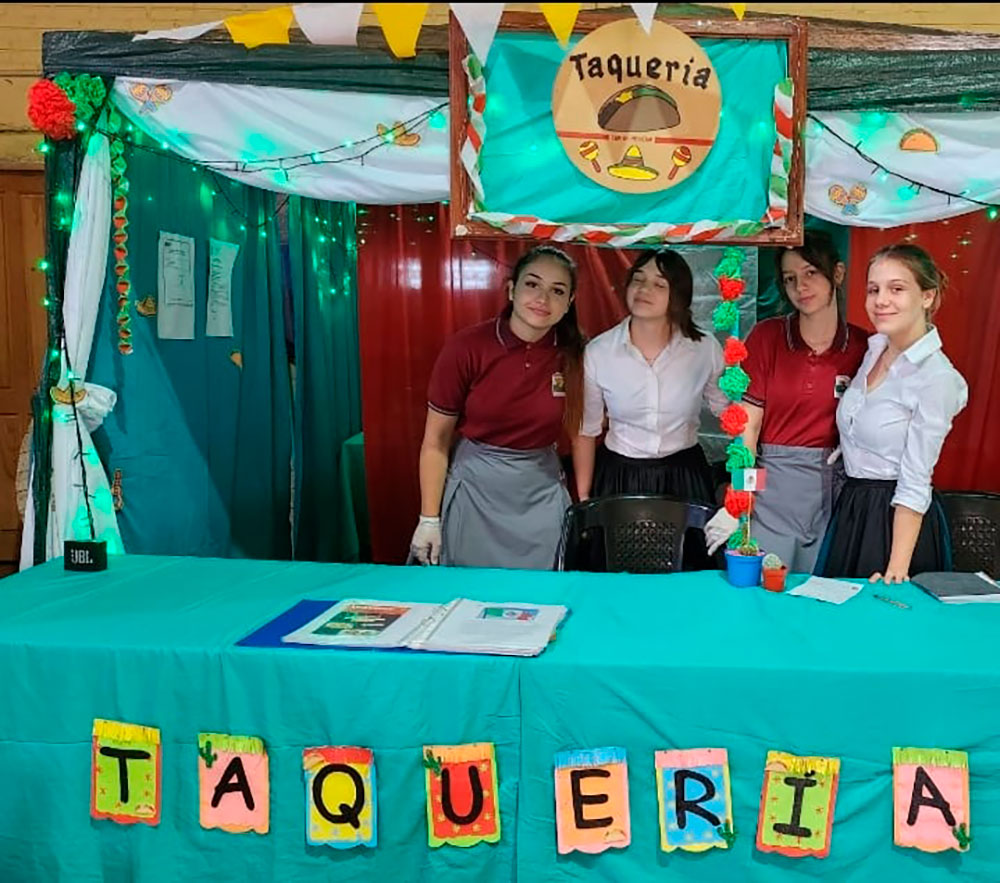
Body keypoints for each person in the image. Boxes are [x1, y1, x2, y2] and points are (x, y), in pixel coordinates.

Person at [409, 245, 585, 569]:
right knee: (469, 590)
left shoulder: (577, 356)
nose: (543, 298)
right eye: (532, 284)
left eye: (557, 290)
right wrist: (428, 519)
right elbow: (435, 442)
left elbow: (583, 434)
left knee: (541, 592)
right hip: (475, 488)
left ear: (569, 302)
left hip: (540, 493)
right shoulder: (467, 347)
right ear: (511, 289)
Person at [704, 231, 868, 572]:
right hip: (771, 485)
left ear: (837, 273)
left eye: (811, 273)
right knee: (765, 582)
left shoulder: (864, 346)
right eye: (790, 278)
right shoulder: (768, 336)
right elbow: (748, 430)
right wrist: (739, 500)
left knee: (825, 587)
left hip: (836, 491)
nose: (800, 287)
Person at [815, 243, 968, 583]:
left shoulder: (936, 377)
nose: (881, 300)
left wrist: (897, 569)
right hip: (853, 509)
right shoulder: (874, 350)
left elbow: (915, 481)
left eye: (896, 289)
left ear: (927, 296)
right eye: (873, 290)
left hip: (894, 523)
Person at [572, 249, 727, 568]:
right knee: (619, 575)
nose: (644, 290)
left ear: (679, 296)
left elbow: (731, 414)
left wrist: (743, 486)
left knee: (688, 574)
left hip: (684, 476)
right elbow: (587, 429)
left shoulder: (704, 348)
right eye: (638, 280)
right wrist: (586, 499)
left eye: (659, 284)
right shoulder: (600, 352)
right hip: (620, 477)